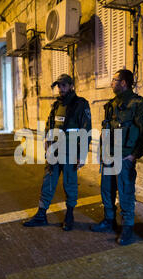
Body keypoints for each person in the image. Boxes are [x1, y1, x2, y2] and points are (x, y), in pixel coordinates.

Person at [22, 74, 92, 231]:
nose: (60, 89)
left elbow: (86, 130)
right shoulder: (55, 105)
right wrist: (47, 141)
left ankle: (70, 215)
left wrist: (82, 155)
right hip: (54, 152)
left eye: (63, 86)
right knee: (48, 182)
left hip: (70, 152)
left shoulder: (81, 104)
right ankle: (41, 214)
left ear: (71, 86)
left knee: (70, 184)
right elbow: (49, 124)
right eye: (58, 86)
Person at [91, 69, 143, 246]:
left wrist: (135, 155)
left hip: (125, 157)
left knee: (125, 191)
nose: (111, 83)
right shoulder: (111, 104)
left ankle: (127, 227)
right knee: (107, 189)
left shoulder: (138, 103)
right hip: (109, 155)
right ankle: (109, 220)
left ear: (123, 83)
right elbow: (106, 131)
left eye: (114, 80)